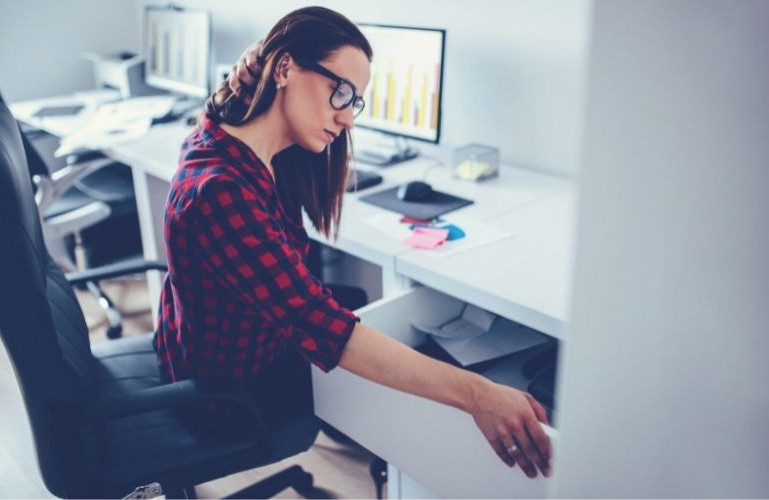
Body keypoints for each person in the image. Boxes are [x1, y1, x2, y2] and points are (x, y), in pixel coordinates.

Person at [154, 6, 552, 479]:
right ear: (283, 69)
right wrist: (477, 394)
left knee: (362, 306)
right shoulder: (221, 192)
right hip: (232, 398)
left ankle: (368, 443)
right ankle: (387, 463)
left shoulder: (226, 139)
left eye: (354, 101)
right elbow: (324, 329)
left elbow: (233, 98)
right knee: (383, 344)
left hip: (197, 348)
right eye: (338, 92)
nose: (346, 119)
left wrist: (258, 66)